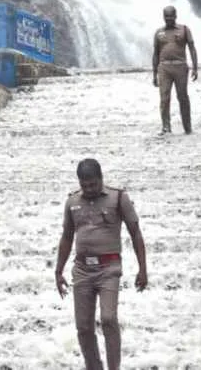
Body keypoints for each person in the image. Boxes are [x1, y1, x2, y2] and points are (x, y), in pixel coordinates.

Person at [55, 158, 148, 370]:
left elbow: (135, 233)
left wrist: (143, 269)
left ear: (101, 179)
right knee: (84, 327)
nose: (89, 189)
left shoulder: (118, 198)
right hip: (82, 269)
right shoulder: (72, 202)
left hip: (109, 268)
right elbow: (67, 237)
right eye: (84, 185)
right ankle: (94, 366)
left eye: (93, 184)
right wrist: (58, 270)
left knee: (108, 318)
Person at [152, 5, 198, 135]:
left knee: (182, 97)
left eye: (171, 16)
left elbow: (192, 48)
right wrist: (154, 74)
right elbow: (155, 53)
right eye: (166, 16)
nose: (169, 19)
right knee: (164, 98)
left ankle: (187, 127)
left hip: (180, 67)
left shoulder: (184, 29)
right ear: (163, 17)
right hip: (164, 67)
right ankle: (166, 127)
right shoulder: (158, 33)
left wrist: (195, 67)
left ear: (176, 16)